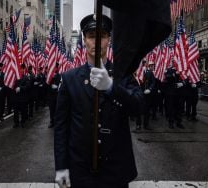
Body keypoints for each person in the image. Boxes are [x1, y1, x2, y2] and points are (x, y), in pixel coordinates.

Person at [54, 14, 144, 188]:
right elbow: (61, 128)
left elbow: (139, 107)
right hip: (80, 170)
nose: (96, 41)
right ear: (84, 40)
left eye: (101, 36)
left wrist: (111, 87)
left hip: (115, 171)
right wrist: (61, 166)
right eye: (91, 36)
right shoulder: (70, 78)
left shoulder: (122, 74)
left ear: (109, 39)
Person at [13, 64, 30, 128]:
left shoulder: (26, 77)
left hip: (23, 97)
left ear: (23, 69)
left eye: (21, 69)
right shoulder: (16, 77)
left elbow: (28, 86)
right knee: (15, 111)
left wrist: (20, 88)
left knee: (23, 110)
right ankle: (16, 123)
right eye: (19, 68)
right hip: (16, 97)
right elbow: (13, 84)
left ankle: (23, 122)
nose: (20, 70)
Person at [47, 63, 61, 128]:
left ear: (57, 68)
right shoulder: (49, 75)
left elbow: (62, 85)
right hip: (50, 95)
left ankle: (57, 122)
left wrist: (57, 87)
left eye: (55, 67)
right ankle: (52, 122)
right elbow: (46, 84)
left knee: (57, 110)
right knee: (51, 110)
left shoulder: (59, 76)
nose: (54, 68)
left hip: (57, 95)